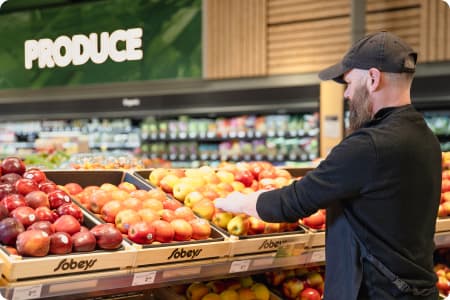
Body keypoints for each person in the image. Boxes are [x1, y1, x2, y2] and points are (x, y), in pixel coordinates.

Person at [215, 31, 442, 300]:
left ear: (372, 78)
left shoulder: (368, 145)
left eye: (348, 83)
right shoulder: (425, 138)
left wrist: (235, 203)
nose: (346, 94)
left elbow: (292, 202)